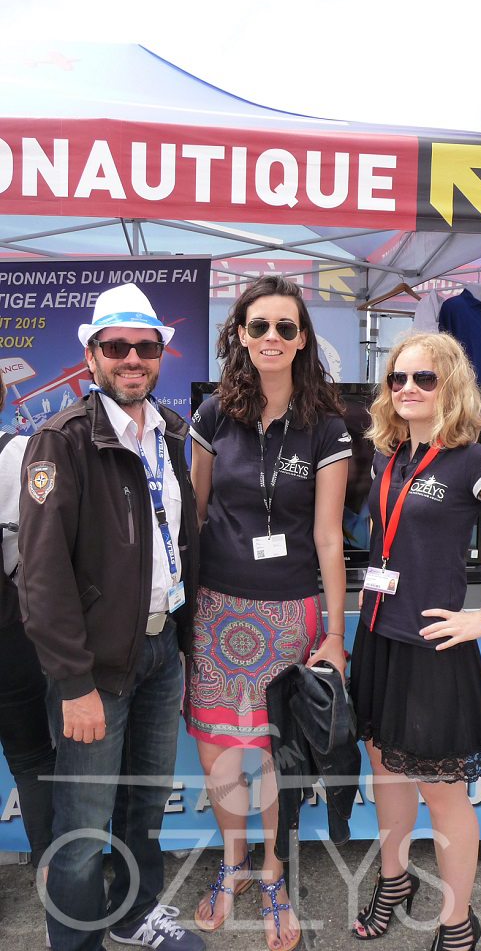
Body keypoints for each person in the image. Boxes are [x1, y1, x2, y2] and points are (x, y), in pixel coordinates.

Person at [349, 331, 481, 951]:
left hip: (433, 649)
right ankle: (394, 882)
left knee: (442, 796)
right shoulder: (389, 454)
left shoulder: (471, 460)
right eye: (398, 378)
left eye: (424, 378)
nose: (407, 389)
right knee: (385, 775)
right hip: (379, 637)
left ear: (451, 386)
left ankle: (456, 918)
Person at [18, 284, 203, 951]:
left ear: (160, 355)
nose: (132, 358)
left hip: (160, 650)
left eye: (144, 347)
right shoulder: (61, 440)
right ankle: (72, 939)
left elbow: (180, 545)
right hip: (94, 665)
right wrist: (73, 682)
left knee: (144, 804)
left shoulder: (171, 433)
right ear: (92, 356)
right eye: (116, 346)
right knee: (83, 822)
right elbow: (42, 577)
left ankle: (133, 914)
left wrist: (181, 646)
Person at [184, 275, 352, 951]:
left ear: (303, 338)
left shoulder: (328, 427)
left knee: (276, 754)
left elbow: (330, 537)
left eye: (286, 327)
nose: (272, 337)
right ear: (241, 335)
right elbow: (195, 516)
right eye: (259, 326)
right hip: (217, 612)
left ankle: (275, 871)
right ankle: (234, 865)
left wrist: (336, 633)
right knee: (220, 751)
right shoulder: (211, 417)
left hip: (291, 615)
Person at [0, 371, 55, 901]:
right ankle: (56, 899)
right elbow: (37, 557)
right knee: (34, 760)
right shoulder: (20, 455)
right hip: (10, 639)